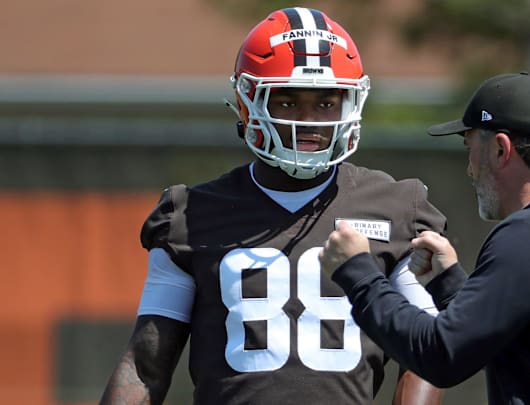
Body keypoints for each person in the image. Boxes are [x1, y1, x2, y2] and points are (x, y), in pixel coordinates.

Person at [99, 7, 446, 405]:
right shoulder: (190, 216)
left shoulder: (394, 207)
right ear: (248, 102)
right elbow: (145, 366)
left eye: (326, 103)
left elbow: (425, 350)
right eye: (286, 102)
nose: (308, 120)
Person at [319, 72, 530, 403]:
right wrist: (448, 283)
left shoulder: (529, 233)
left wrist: (359, 274)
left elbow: (441, 356)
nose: (469, 169)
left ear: (499, 149)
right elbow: (511, 343)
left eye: (470, 148)